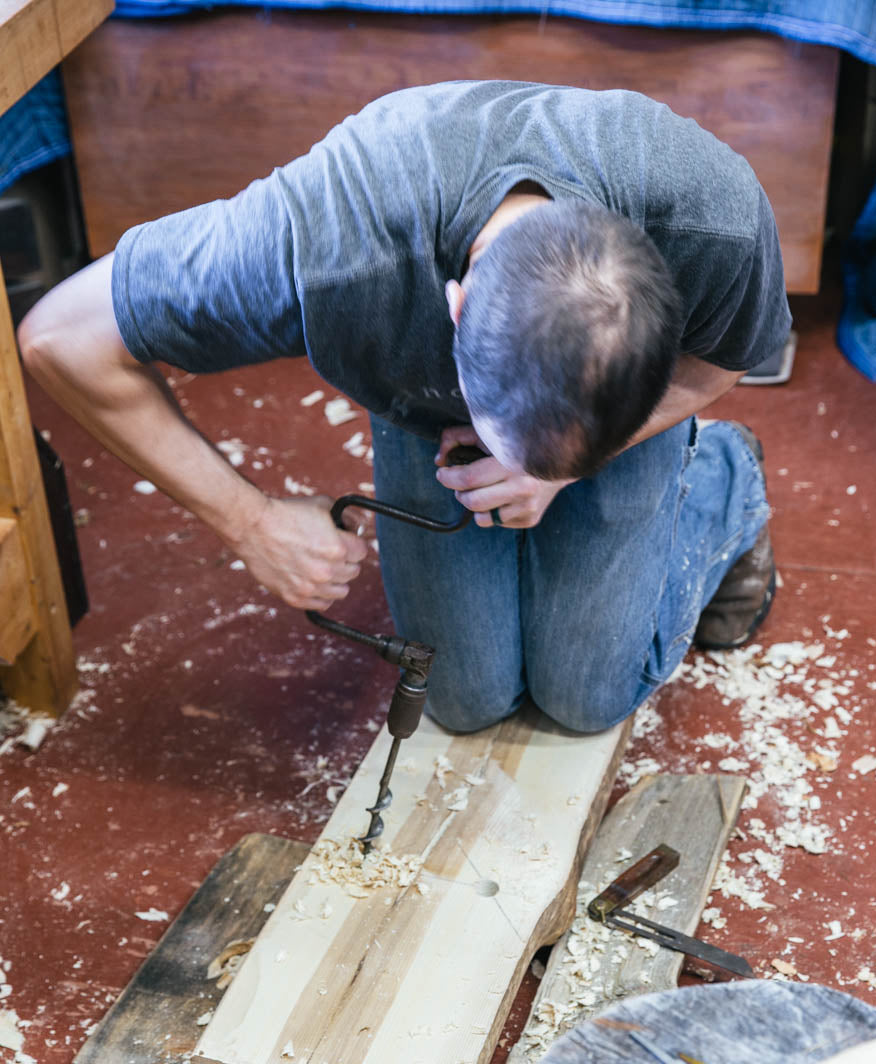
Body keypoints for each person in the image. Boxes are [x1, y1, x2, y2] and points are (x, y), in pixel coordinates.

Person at [19, 81, 790, 734]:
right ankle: (577, 457)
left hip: (612, 419)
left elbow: (726, 358)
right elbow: (60, 339)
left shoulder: (711, 216)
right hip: (423, 393)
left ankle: (726, 479)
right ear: (452, 312)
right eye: (512, 446)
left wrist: (559, 475)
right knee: (464, 699)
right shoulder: (330, 243)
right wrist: (248, 521)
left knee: (586, 699)